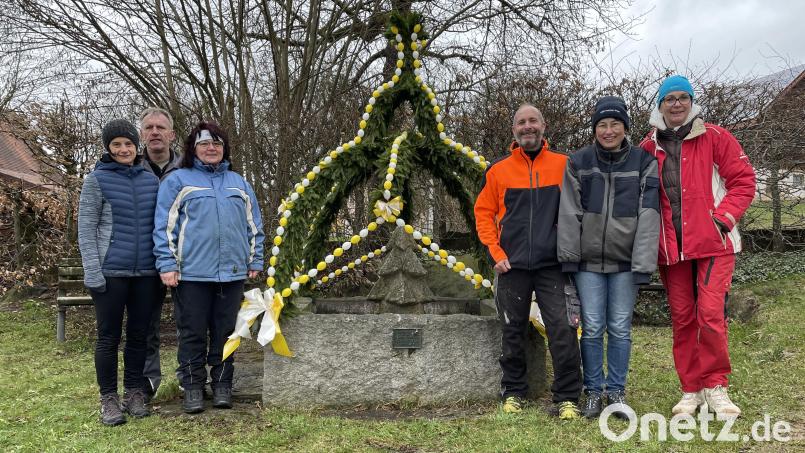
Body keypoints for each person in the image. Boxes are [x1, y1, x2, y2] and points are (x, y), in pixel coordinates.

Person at [640, 75, 756, 418]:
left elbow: (743, 182)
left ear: (692, 102)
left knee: (709, 313)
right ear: (660, 105)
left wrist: (723, 220)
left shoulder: (716, 137)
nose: (676, 104)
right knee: (682, 318)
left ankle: (716, 387)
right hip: (671, 249)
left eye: (683, 98)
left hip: (713, 244)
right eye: (669, 99)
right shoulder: (648, 147)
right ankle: (690, 390)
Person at [474, 104, 583, 419]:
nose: (527, 126)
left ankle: (566, 397)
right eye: (521, 122)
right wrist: (496, 253)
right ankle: (513, 392)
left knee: (563, 328)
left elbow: (579, 210)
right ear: (514, 130)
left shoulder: (565, 165)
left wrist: (571, 250)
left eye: (533, 120)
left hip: (554, 265)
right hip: (512, 266)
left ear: (543, 125)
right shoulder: (498, 170)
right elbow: (483, 214)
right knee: (512, 329)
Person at [558, 96, 660, 419]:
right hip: (588, 263)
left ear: (626, 127)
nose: (608, 130)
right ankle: (593, 392)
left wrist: (644, 263)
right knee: (590, 328)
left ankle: (616, 392)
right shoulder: (578, 161)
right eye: (602, 124)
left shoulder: (644, 162)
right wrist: (569, 259)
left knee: (619, 328)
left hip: (625, 264)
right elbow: (569, 212)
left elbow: (649, 214)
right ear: (594, 129)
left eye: (615, 123)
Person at [153, 121, 264, 414]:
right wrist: (167, 264)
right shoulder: (178, 181)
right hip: (190, 274)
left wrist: (255, 259)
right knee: (192, 332)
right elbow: (165, 228)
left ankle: (223, 385)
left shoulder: (239, 183)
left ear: (224, 148)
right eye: (204, 144)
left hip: (232, 273)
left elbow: (254, 226)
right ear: (194, 148)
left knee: (227, 332)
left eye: (217, 143)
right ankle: (191, 386)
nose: (211, 148)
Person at [77, 119, 161, 426]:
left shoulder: (151, 180)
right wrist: (92, 272)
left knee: (140, 336)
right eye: (116, 145)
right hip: (110, 271)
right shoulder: (96, 180)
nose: (123, 149)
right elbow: (86, 229)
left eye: (128, 144)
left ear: (136, 146)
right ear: (108, 148)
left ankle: (134, 393)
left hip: (147, 274)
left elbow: (160, 226)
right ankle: (109, 398)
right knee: (108, 337)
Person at [138, 107, 182, 401]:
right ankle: (147, 380)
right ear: (142, 134)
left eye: (160, 127)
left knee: (188, 321)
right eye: (149, 127)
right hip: (141, 255)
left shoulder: (188, 168)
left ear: (171, 135)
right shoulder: (130, 166)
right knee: (145, 322)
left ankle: (188, 376)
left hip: (182, 256)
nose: (155, 132)